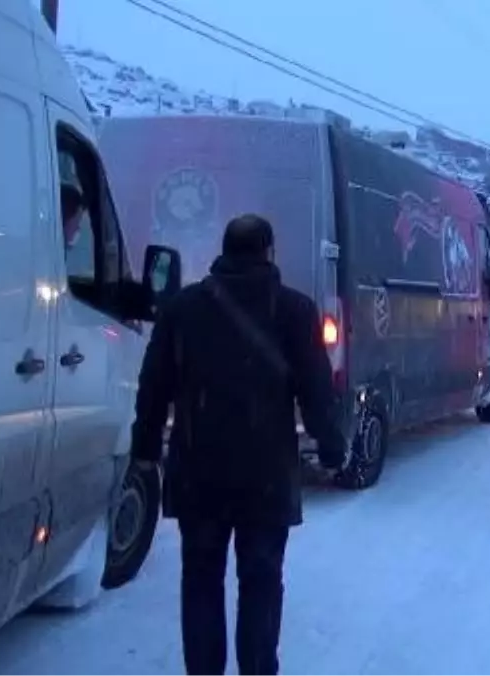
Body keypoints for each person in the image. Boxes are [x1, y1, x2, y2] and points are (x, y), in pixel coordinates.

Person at [130, 214, 346, 676]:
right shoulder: (294, 310)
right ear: (269, 252)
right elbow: (316, 389)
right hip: (265, 475)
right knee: (261, 582)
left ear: (224, 251)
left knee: (201, 581)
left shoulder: (183, 308)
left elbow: (153, 386)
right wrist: (330, 445)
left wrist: (145, 447)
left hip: (198, 471)